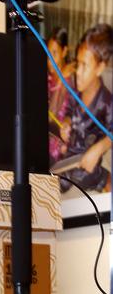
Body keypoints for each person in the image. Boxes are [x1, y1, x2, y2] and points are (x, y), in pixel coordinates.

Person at [55, 23, 113, 192]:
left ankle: (104, 177)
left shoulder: (107, 102)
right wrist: (66, 123)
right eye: (77, 63)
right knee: (55, 183)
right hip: (70, 155)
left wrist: (98, 149)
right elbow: (69, 111)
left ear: (100, 68)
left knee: (83, 180)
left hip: (88, 163)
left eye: (84, 65)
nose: (78, 71)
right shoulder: (76, 92)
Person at [45, 27, 74, 165]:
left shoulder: (73, 79)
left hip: (63, 146)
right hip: (47, 142)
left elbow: (52, 114)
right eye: (48, 53)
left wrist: (62, 81)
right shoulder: (48, 78)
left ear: (65, 51)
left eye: (54, 53)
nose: (49, 60)